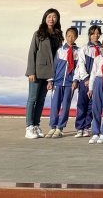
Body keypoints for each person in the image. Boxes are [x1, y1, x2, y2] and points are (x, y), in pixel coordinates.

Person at [25, 8, 64, 139]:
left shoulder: (58, 35)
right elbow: (32, 52)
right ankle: (29, 126)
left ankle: (36, 125)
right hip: (37, 72)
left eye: (54, 17)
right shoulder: (38, 34)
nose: (51, 19)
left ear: (57, 19)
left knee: (41, 100)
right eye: (49, 16)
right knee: (32, 99)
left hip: (49, 74)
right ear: (45, 18)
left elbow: (58, 56)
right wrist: (31, 72)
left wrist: (54, 76)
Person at [46, 27, 80, 138]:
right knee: (55, 105)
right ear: (65, 36)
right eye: (69, 36)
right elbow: (54, 66)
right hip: (58, 82)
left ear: (76, 37)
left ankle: (60, 128)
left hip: (69, 84)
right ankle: (53, 126)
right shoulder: (60, 51)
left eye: (73, 36)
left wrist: (75, 80)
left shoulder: (78, 52)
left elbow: (78, 68)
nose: (71, 38)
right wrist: (51, 80)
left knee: (65, 106)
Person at [75, 24, 102, 138]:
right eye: (93, 33)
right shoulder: (84, 49)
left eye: (98, 33)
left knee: (92, 106)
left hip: (96, 82)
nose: (95, 36)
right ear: (89, 35)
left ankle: (87, 127)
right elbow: (81, 64)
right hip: (85, 82)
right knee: (82, 104)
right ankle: (79, 128)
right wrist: (86, 78)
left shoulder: (102, 49)